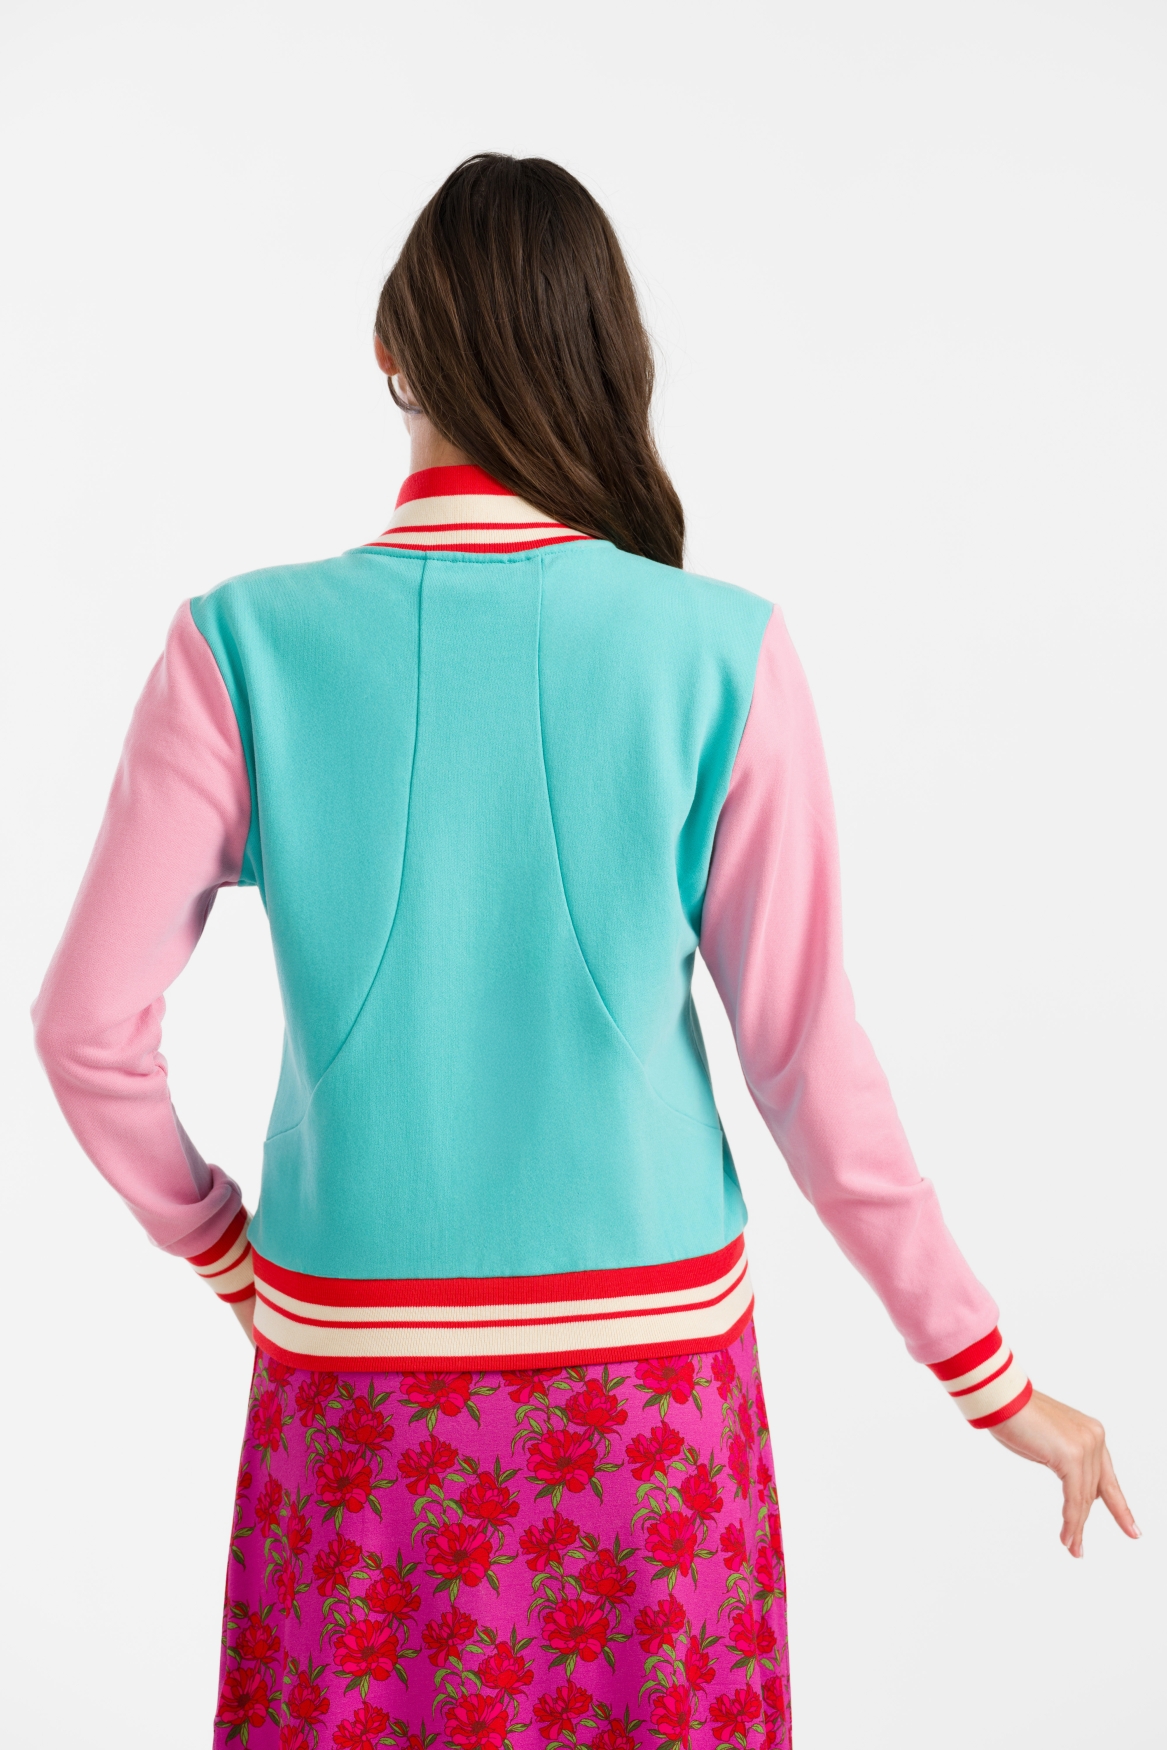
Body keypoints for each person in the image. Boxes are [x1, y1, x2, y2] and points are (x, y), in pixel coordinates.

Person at [32, 153, 1136, 1747]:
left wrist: (223, 1251)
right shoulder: (720, 650)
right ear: (608, 361)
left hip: (355, 1391)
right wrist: (993, 1378)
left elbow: (83, 1029)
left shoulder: (240, 644)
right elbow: (808, 1066)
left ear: (389, 350)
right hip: (649, 1404)